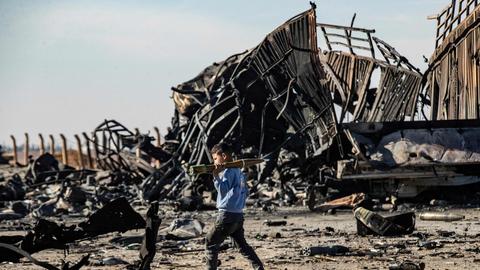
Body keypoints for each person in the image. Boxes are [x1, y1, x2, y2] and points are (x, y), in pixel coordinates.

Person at [205, 143, 264, 270]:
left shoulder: (227, 171)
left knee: (210, 243)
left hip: (226, 215)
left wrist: (216, 175)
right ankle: (258, 267)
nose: (214, 161)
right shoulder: (239, 171)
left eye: (215, 158)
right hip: (238, 215)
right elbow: (245, 191)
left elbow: (224, 190)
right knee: (242, 245)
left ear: (224, 156)